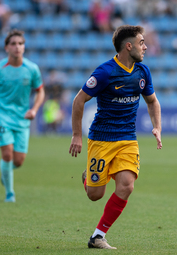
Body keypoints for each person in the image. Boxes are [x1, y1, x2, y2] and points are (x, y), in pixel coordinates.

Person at [69, 25, 162, 249]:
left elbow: (152, 101)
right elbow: (78, 101)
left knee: (127, 185)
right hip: (102, 138)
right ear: (128, 46)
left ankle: (97, 236)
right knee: (95, 195)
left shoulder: (143, 71)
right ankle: (88, 178)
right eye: (141, 42)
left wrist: (157, 127)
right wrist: (76, 135)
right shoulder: (105, 72)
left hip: (128, 138)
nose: (146, 46)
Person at [0, 29, 45, 202]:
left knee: (18, 161)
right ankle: (9, 194)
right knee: (7, 154)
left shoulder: (32, 69)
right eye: (13, 44)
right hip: (2, 115)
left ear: (24, 47)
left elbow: (40, 92)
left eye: (20, 44)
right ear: (6, 48)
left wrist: (34, 109)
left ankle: (5, 172)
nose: (17, 47)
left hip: (22, 118)